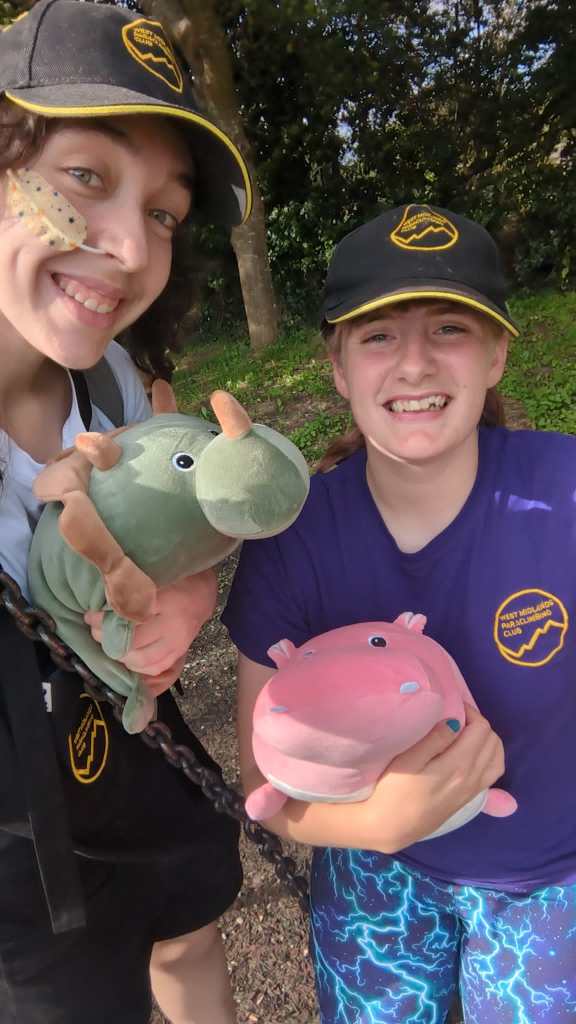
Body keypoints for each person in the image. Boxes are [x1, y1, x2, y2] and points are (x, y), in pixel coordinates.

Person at [223, 202, 576, 1023]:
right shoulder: (296, 536)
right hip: (372, 869)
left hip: (548, 875)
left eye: (450, 329)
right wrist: (380, 823)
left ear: (496, 354)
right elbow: (263, 779)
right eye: (378, 335)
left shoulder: (562, 493)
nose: (414, 364)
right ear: (339, 367)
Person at [0, 1, 253, 1022]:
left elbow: (181, 524)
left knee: (187, 927)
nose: (133, 250)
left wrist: (185, 595)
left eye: (164, 213)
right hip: (22, 850)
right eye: (86, 177)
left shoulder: (112, 381)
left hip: (133, 745)